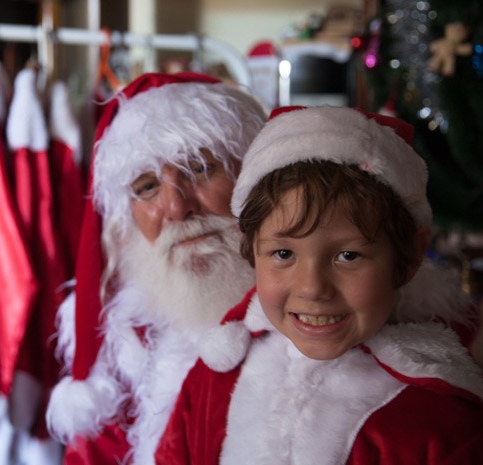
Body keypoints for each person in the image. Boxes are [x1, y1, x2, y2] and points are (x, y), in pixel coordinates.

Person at [156, 105, 483, 465]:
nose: (312, 288)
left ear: (409, 256)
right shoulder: (212, 380)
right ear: (250, 249)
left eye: (348, 256)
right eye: (283, 253)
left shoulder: (443, 426)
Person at [46, 72, 267, 465]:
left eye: (200, 168)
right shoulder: (124, 340)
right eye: (147, 187)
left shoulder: (317, 314)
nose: (177, 208)